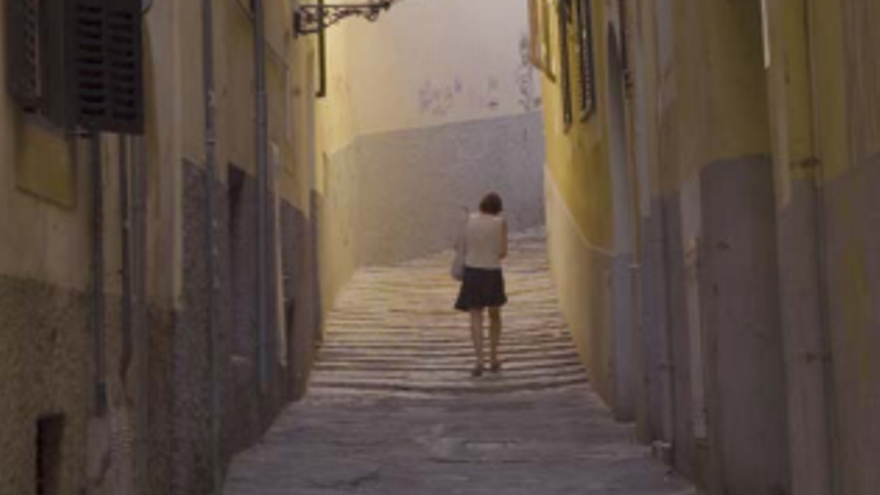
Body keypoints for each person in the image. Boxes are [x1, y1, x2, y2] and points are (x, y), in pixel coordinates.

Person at [454, 192, 509, 377]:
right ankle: (493, 357)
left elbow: (461, 246)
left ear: (481, 205)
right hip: (492, 272)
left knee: (475, 317)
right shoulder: (500, 223)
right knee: (495, 316)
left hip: (473, 272)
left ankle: (479, 360)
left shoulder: (469, 220)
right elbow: (502, 252)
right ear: (498, 209)